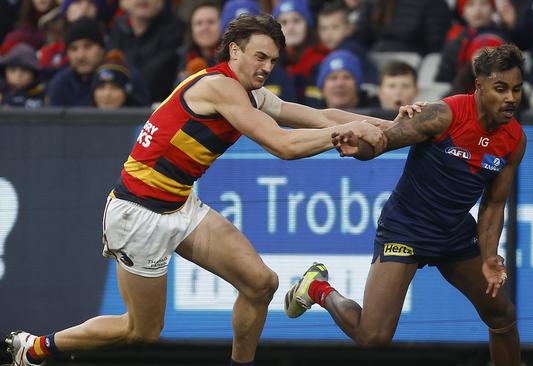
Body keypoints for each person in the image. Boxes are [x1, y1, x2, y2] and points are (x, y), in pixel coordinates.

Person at [4, 14, 388, 366]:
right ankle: (36, 347)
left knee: (261, 284)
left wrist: (396, 127)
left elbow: (322, 115)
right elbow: (283, 145)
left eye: (273, 60)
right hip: (139, 215)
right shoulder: (219, 87)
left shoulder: (248, 92)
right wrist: (346, 134)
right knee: (141, 331)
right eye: (260, 57)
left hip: (180, 204)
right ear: (234, 50)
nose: (267, 67)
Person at [285, 44, 526, 366]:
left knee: (502, 314)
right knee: (373, 336)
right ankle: (318, 288)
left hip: (455, 232)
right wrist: (360, 148)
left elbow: (494, 205)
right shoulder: (443, 115)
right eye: (501, 88)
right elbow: (384, 141)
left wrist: (490, 256)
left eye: (517, 89)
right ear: (479, 86)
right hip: (406, 229)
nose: (510, 98)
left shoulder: (515, 139)